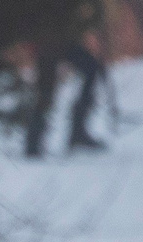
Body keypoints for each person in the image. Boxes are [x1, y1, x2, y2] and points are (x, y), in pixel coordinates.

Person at [24, 6, 107, 158]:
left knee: (90, 69)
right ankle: (34, 143)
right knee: (46, 89)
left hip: (55, 39)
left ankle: (37, 142)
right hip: (48, 40)